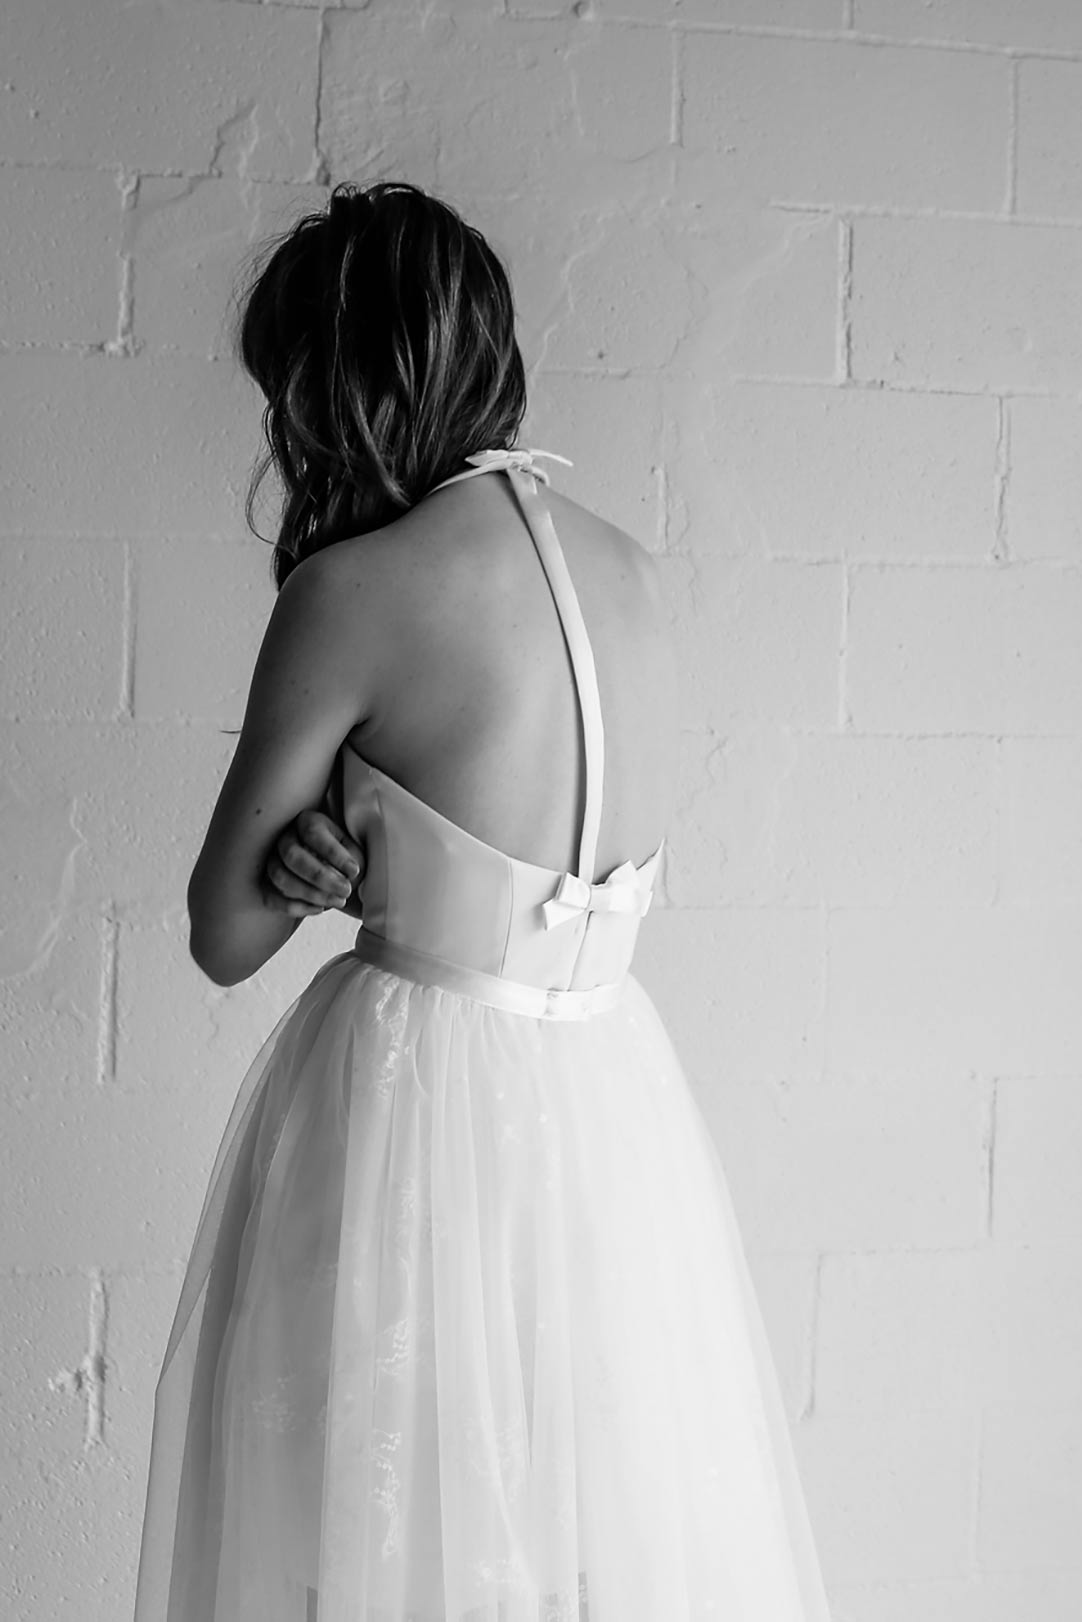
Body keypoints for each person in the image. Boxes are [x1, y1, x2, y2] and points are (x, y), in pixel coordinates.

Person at [133, 180, 833, 1621]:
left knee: (374, 1530)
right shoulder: (634, 572)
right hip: (606, 1107)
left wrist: (313, 859)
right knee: (589, 1525)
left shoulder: (352, 590)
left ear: (336, 386)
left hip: (413, 1101)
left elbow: (222, 933)